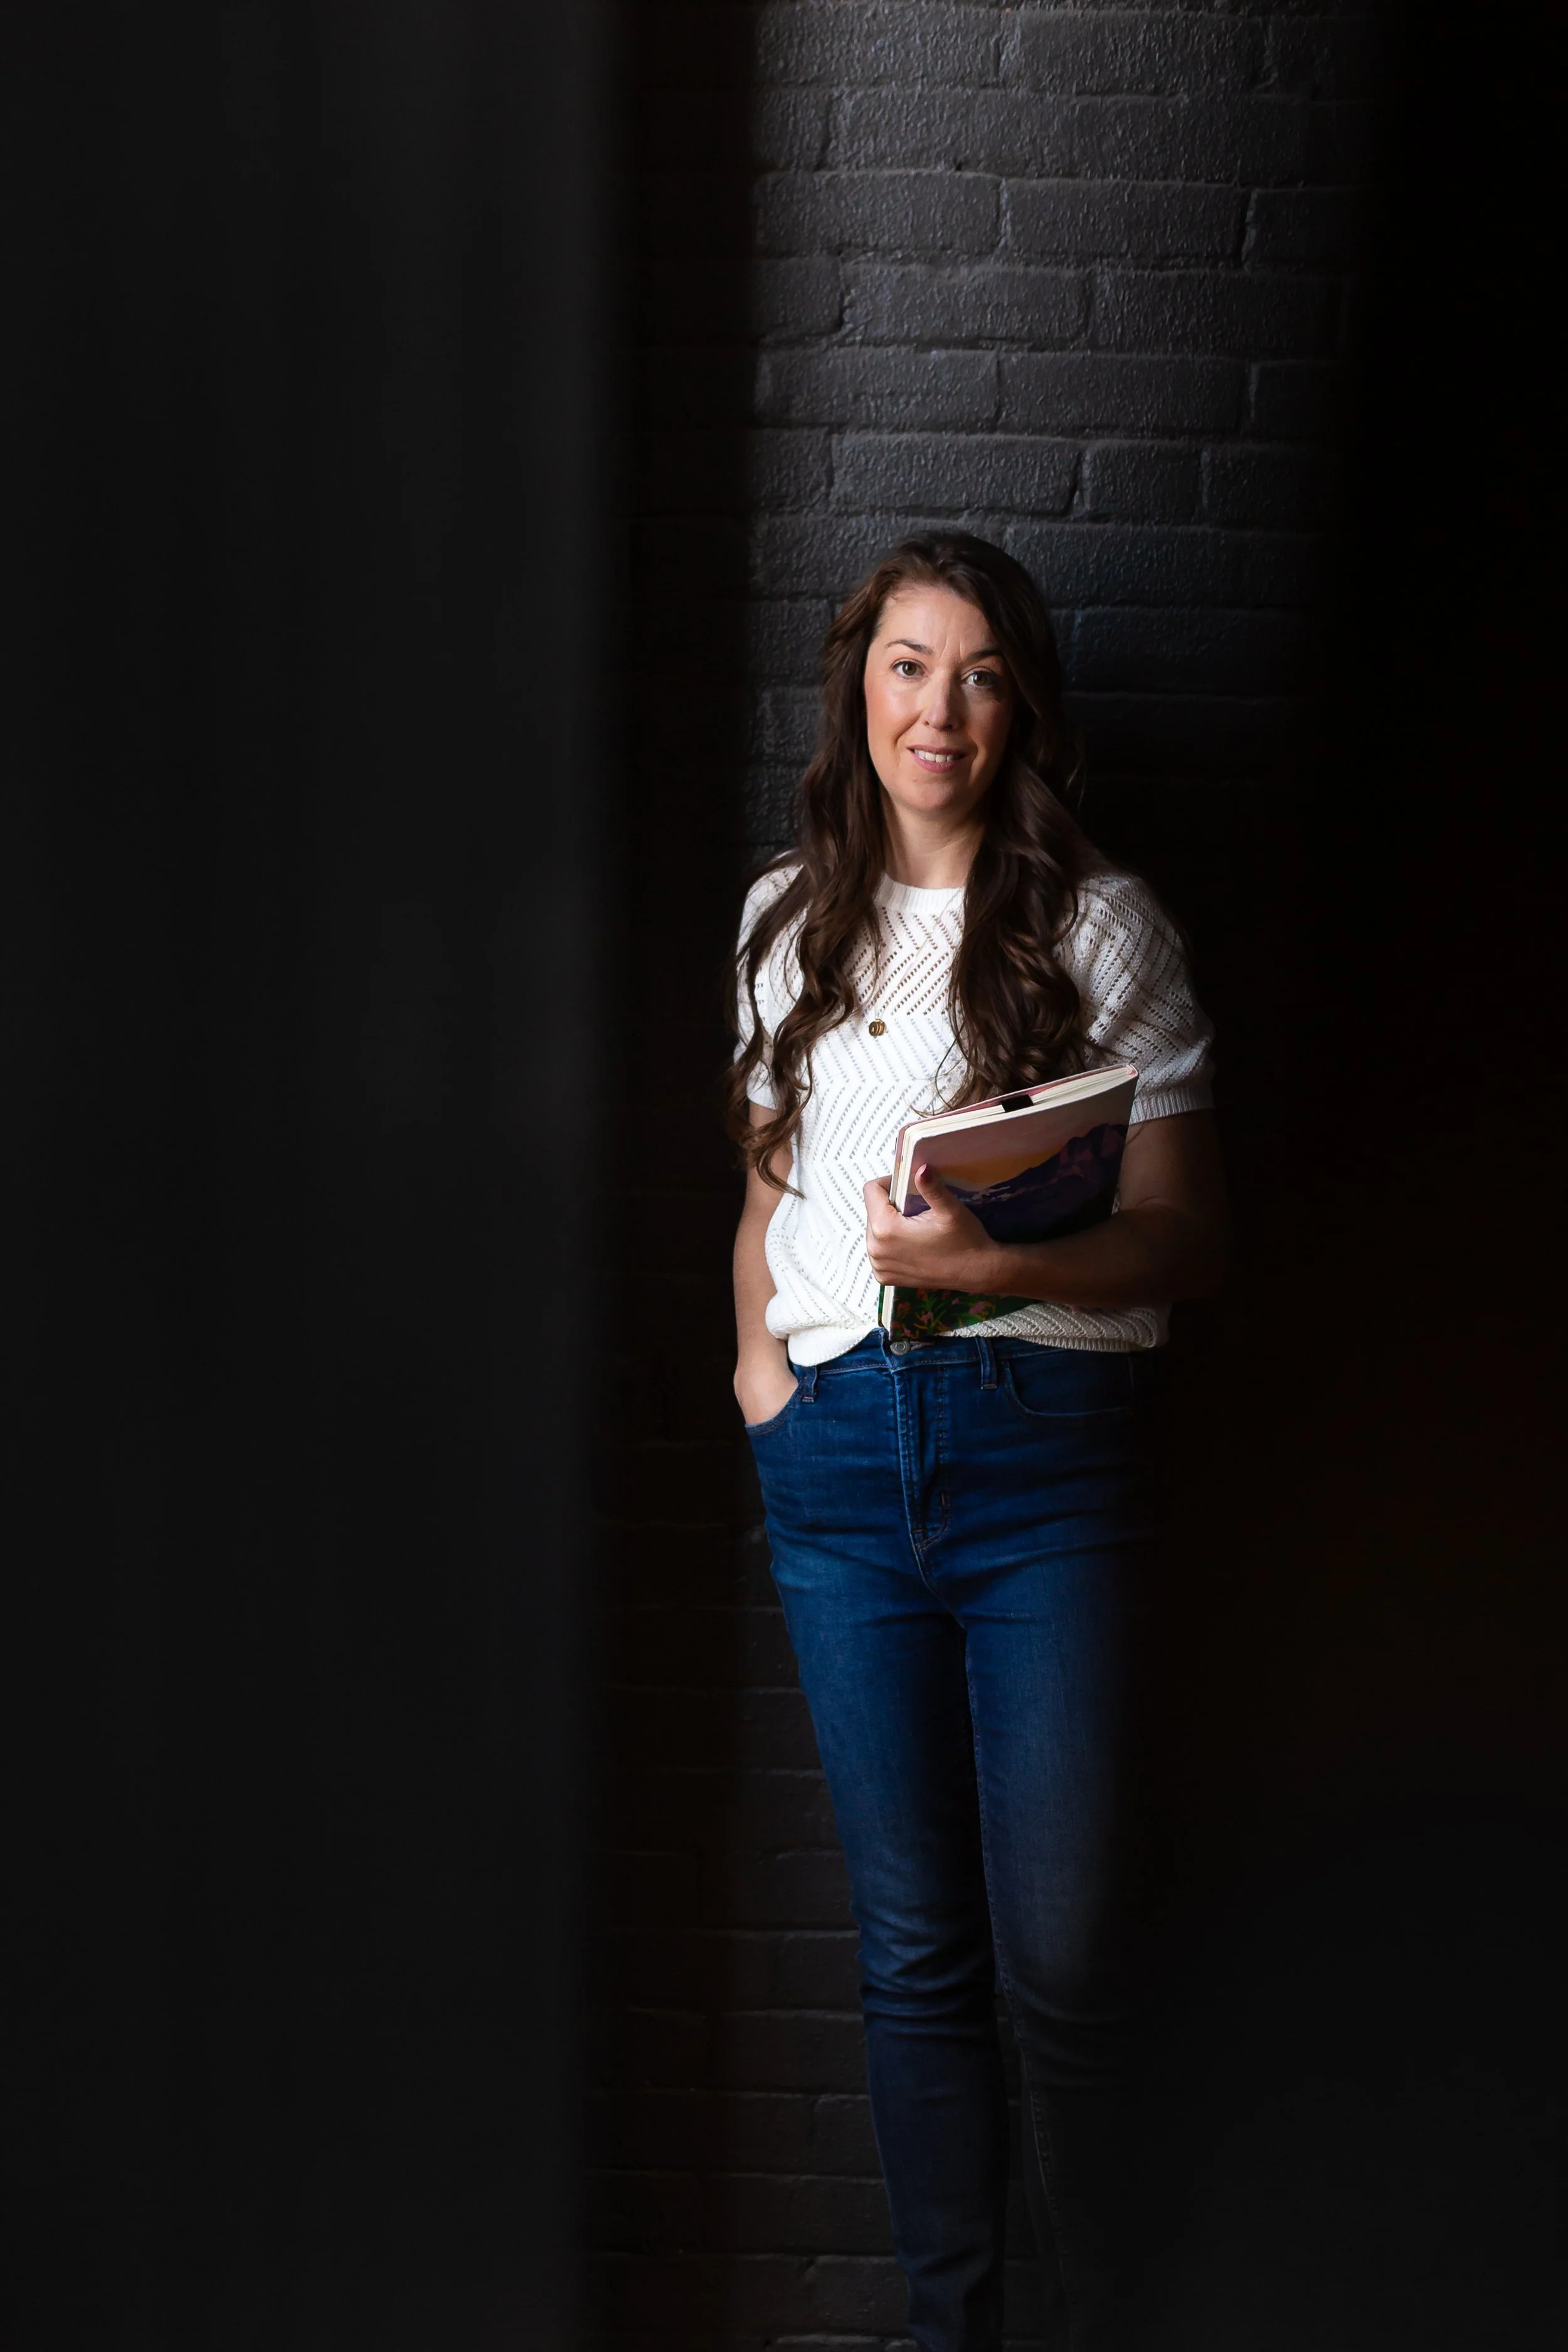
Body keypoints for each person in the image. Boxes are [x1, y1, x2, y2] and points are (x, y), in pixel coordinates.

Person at [726, 532, 1225, 2352]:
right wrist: (754, 1369)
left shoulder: (1101, 924)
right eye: (909, 665)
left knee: (1068, 1964)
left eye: (982, 672)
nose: (940, 708)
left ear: (1022, 708)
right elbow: (766, 1176)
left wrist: (978, 1254)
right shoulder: (785, 917)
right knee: (911, 1961)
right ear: (858, 685)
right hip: (837, 1469)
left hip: (1044, 1463)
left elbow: (1184, 1233)